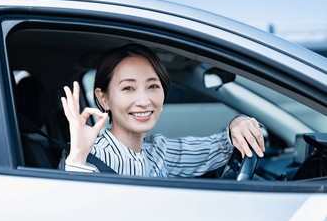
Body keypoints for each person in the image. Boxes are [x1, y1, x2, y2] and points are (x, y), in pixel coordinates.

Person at [60, 43, 265, 176]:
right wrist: (77, 157)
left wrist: (237, 124)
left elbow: (219, 146)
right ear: (103, 99)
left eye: (153, 86)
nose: (144, 100)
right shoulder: (90, 155)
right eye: (128, 88)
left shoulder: (159, 151)